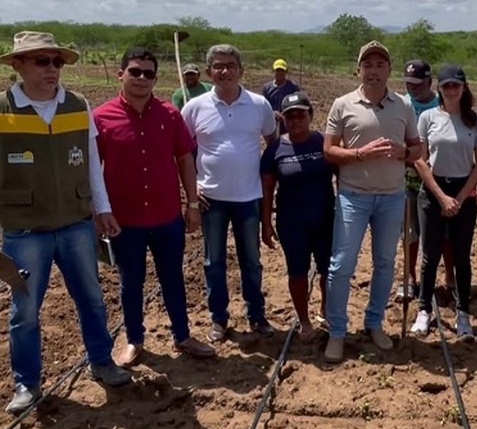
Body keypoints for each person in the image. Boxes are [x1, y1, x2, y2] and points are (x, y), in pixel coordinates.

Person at [0, 31, 131, 414]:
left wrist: (102, 209)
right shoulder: (3, 110)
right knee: (25, 312)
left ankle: (101, 362)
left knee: (91, 299)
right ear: (18, 65)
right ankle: (27, 384)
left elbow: (91, 162)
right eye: (42, 61)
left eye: (56, 61)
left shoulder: (77, 105)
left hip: (75, 224)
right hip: (24, 230)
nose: (52, 69)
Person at [94, 47, 215, 367]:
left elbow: (186, 160)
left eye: (148, 73)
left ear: (155, 79)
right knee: (130, 283)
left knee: (172, 277)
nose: (141, 78)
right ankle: (134, 340)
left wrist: (192, 204)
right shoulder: (101, 118)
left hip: (166, 217)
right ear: (121, 75)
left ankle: (182, 335)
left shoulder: (170, 115)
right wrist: (97, 211)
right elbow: (91, 169)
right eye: (135, 72)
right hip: (124, 221)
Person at [323, 41, 422, 362]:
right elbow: (329, 150)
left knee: (385, 263)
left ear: (389, 70)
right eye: (368, 65)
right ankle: (337, 331)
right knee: (341, 266)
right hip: (353, 197)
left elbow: (418, 148)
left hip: (392, 197)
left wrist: (405, 153)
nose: (374, 70)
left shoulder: (403, 106)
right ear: (359, 70)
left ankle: (374, 323)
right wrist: (359, 154)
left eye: (380, 64)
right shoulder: (342, 104)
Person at [181, 44, 277, 342]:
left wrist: (272, 188)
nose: (224, 71)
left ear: (241, 71)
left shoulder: (259, 105)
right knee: (214, 262)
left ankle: (256, 315)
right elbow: (181, 152)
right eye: (218, 66)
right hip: (211, 199)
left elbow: (272, 144)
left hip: (249, 198)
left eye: (230, 66)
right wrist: (192, 191)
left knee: (251, 261)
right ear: (208, 72)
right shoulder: (194, 108)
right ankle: (218, 318)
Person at [409, 65, 477, 340]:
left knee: (461, 257)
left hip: (464, 192)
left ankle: (463, 313)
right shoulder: (428, 117)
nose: (451, 90)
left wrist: (460, 197)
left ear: (464, 88)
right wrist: (442, 197)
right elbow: (420, 161)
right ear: (439, 89)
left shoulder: (476, 120)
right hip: (433, 192)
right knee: (430, 255)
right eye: (446, 86)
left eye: (456, 85)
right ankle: (423, 310)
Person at [260, 92, 335, 341]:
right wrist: (266, 223)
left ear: (310, 116)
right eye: (290, 116)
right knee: (297, 271)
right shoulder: (274, 150)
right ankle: (304, 320)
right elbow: (267, 189)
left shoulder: (323, 142)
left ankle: (326, 309)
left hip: (325, 219)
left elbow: (343, 176)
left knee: (328, 269)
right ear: (283, 119)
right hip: (292, 222)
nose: (295, 121)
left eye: (300, 115)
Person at [398, 59, 440, 302]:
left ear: (429, 82)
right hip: (406, 177)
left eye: (417, 83)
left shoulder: (440, 105)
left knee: (438, 234)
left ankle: (445, 278)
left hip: (435, 177)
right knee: (409, 232)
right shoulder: (401, 104)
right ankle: (409, 277)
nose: (412, 87)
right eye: (408, 83)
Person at [262, 58, 300, 136]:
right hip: (271, 123)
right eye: (277, 70)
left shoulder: (293, 88)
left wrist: (285, 115)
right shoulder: (267, 88)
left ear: (286, 72)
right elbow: (264, 106)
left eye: (282, 70)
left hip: (288, 123)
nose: (279, 73)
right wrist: (273, 113)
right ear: (273, 71)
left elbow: (296, 104)